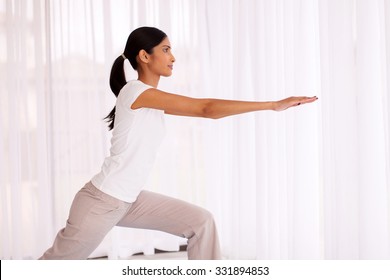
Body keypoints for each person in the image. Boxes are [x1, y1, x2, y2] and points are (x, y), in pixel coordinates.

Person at [39, 26, 317, 260]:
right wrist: (272, 105)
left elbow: (205, 110)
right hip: (103, 200)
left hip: (129, 199)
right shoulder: (136, 91)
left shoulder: (150, 99)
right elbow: (206, 108)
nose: (173, 57)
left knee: (201, 222)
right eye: (165, 49)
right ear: (144, 56)